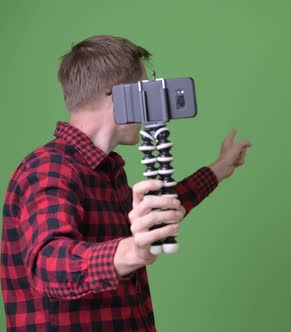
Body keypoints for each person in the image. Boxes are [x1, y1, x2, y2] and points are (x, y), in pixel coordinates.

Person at [1, 35, 251, 331]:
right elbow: (48, 266)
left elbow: (159, 212)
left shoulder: (105, 171)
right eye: (145, 90)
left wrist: (219, 168)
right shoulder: (48, 168)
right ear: (121, 96)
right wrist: (132, 251)